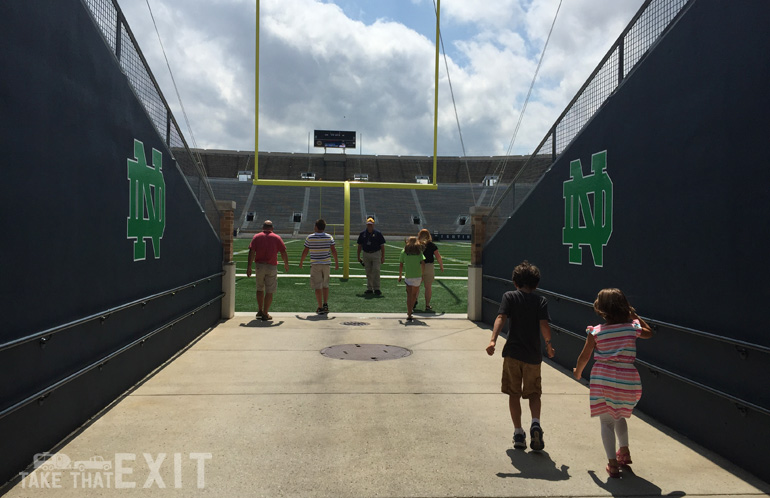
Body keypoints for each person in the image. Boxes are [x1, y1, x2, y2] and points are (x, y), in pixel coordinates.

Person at [573, 288, 654, 478]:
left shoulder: (596, 332)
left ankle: (613, 464)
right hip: (627, 378)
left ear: (601, 309)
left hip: (604, 377)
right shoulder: (632, 328)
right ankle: (624, 453)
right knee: (619, 415)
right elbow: (649, 333)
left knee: (606, 420)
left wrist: (577, 373)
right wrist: (635, 316)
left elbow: (584, 356)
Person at [486, 260, 555, 451]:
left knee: (514, 394)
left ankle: (518, 432)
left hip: (513, 354)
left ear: (515, 282)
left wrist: (493, 340)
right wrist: (549, 345)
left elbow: (501, 317)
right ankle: (535, 423)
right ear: (536, 284)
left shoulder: (509, 296)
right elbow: (544, 326)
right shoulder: (541, 301)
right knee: (534, 393)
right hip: (533, 356)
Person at [246, 220, 289, 321]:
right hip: (271, 266)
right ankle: (265, 313)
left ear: (263, 227)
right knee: (270, 290)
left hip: (259, 266)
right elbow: (283, 252)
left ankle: (260, 310)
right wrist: (286, 263)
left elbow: (251, 251)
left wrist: (249, 267)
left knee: (260, 288)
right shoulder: (276, 237)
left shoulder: (257, 237)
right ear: (272, 228)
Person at [299, 219, 339, 314]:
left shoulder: (310, 237)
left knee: (317, 286)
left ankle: (320, 306)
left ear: (316, 227)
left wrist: (301, 261)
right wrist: (337, 262)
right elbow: (333, 250)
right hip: (326, 264)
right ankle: (325, 304)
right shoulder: (329, 237)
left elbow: (305, 251)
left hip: (315, 264)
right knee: (325, 285)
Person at [397, 236, 425, 321]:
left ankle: (409, 313)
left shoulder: (404, 251)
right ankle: (411, 309)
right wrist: (422, 274)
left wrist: (400, 275)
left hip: (408, 276)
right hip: (417, 276)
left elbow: (401, 264)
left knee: (409, 295)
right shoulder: (419, 252)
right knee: (414, 296)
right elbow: (423, 263)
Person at [415, 229, 444, 311]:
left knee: (417, 285)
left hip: (419, 266)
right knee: (428, 287)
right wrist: (441, 265)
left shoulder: (417, 244)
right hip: (429, 266)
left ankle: (415, 300)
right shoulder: (431, 245)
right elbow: (438, 256)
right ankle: (427, 305)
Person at [356, 217, 386, 295]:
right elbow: (359, 245)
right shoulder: (362, 234)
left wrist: (383, 256)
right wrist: (358, 256)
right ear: (366, 224)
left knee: (376, 270)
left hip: (376, 253)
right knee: (368, 271)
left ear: (373, 225)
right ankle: (369, 288)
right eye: (368, 224)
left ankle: (376, 288)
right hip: (366, 253)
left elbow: (382, 245)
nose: (370, 226)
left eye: (371, 225)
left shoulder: (378, 233)